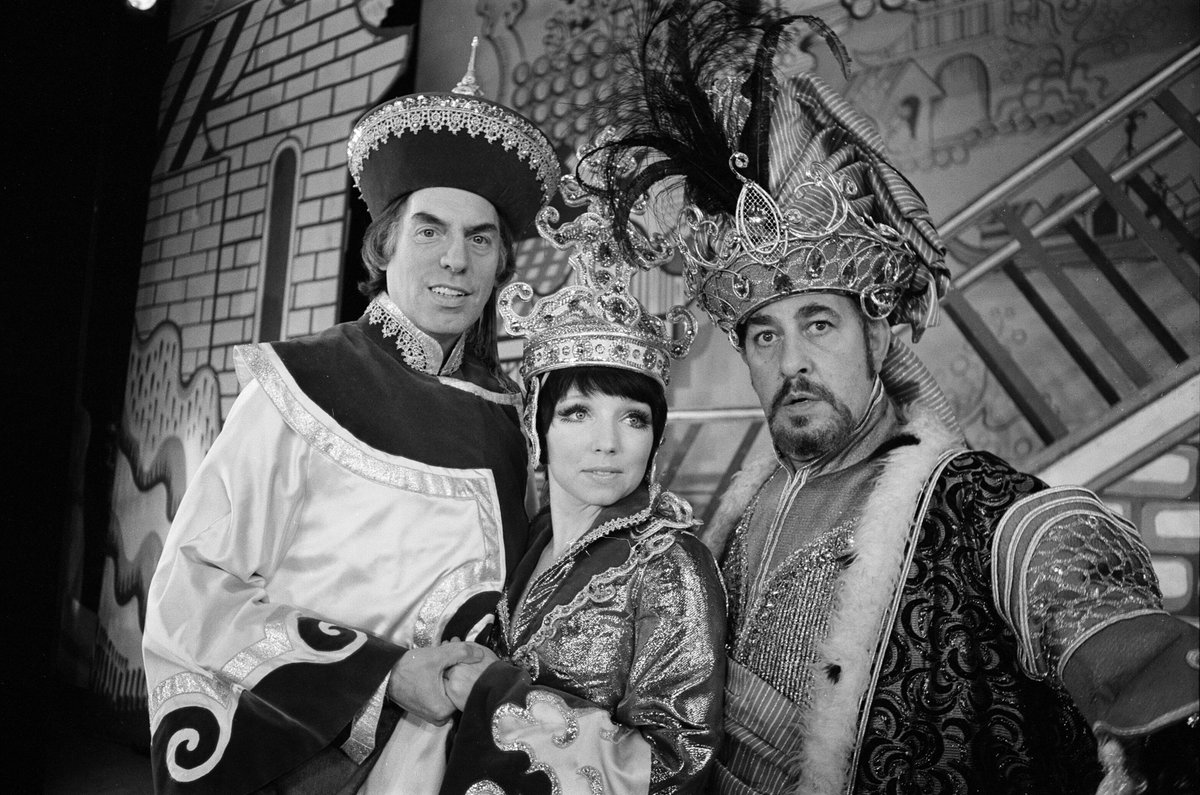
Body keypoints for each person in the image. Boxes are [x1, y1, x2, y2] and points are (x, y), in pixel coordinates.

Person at [588, 3, 1200, 793]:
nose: (793, 361)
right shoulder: (736, 519)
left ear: (879, 339)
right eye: (764, 336)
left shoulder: (971, 508)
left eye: (818, 323)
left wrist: (1148, 678)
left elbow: (1052, 555)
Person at [141, 45, 561, 794]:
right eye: (431, 230)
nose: (456, 260)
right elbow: (191, 590)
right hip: (307, 765)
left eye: (481, 238)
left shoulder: (508, 421)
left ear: (501, 265)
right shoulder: (301, 383)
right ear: (387, 241)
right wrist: (386, 674)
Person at [429, 160, 726, 794]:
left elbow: (675, 768)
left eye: (634, 419)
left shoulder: (668, 563)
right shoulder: (528, 538)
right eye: (578, 412)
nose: (608, 444)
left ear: (657, 437)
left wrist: (490, 693)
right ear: (537, 428)